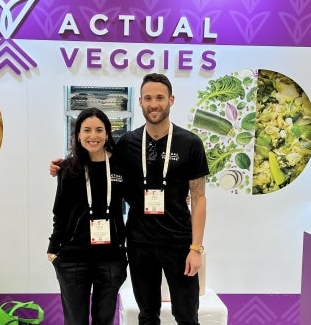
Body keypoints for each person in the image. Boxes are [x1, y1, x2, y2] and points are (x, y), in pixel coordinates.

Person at [50, 73, 209, 325]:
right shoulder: (126, 143)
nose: (153, 104)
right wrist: (64, 165)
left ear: (171, 100)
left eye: (159, 97)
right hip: (138, 243)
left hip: (179, 243)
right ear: (141, 103)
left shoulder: (190, 143)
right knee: (147, 314)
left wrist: (196, 248)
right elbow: (95, 158)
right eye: (148, 98)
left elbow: (199, 198)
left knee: (187, 315)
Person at [47, 107, 127, 325]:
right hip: (74, 259)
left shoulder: (120, 165)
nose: (93, 136)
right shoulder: (68, 168)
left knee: (104, 320)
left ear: (108, 134)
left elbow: (138, 198)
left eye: (99, 130)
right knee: (76, 321)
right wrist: (53, 250)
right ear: (78, 135)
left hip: (111, 259)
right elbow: (60, 212)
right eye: (87, 130)